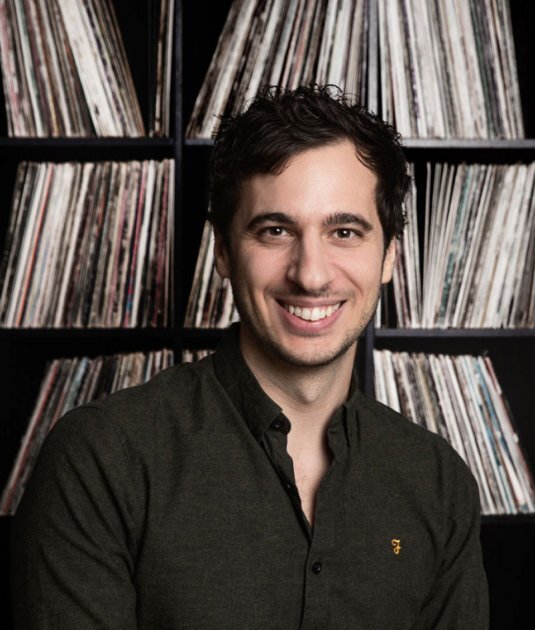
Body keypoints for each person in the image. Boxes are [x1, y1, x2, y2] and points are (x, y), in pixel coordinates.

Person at [11, 85, 489, 629]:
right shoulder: (100, 461)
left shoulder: (438, 483)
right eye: (275, 230)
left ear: (389, 258)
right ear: (222, 250)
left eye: (345, 232)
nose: (311, 274)